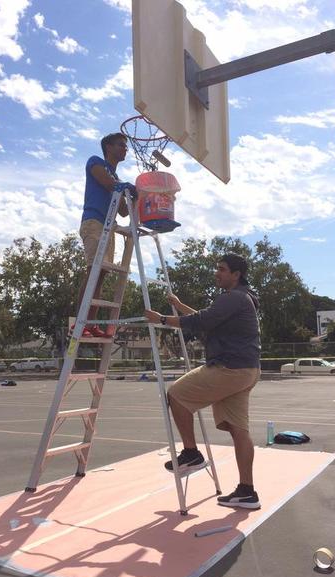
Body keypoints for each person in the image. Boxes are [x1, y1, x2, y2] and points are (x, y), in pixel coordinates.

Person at [144, 253, 261, 510]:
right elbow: (207, 319)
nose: (217, 273)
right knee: (239, 430)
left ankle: (191, 453)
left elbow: (201, 321)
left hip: (229, 368)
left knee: (176, 394)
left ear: (236, 274)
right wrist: (179, 305)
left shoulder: (234, 297)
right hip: (247, 370)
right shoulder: (244, 297)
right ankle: (247, 492)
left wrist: (161, 319)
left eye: (222, 269)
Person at [77, 132, 135, 338]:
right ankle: (80, 323)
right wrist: (128, 188)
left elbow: (123, 211)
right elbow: (109, 184)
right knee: (93, 270)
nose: (125, 149)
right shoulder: (96, 162)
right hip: (94, 222)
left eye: (126, 146)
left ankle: (90, 323)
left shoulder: (117, 179)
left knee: (101, 275)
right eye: (121, 145)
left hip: (109, 226)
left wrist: (138, 197)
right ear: (108, 147)